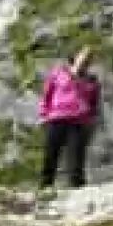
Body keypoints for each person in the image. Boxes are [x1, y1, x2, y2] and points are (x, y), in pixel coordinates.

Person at [37, 46, 101, 188]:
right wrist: (43, 114)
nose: (86, 60)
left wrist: (91, 122)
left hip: (79, 121)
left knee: (76, 157)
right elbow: (46, 94)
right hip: (57, 118)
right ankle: (45, 187)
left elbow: (94, 104)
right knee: (51, 154)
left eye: (89, 58)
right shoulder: (58, 73)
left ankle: (77, 189)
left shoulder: (92, 80)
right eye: (84, 56)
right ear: (75, 57)